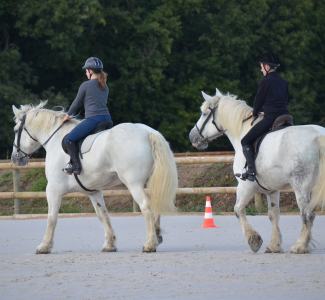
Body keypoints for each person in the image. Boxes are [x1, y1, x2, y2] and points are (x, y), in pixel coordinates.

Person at [240, 53, 289, 181]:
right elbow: (283, 100)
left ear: (267, 67)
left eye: (261, 67)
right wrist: (266, 110)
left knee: (245, 141)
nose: (261, 69)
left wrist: (256, 112)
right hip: (286, 116)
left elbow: (259, 100)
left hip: (271, 118)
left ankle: (251, 171)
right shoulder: (283, 82)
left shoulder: (265, 81)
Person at [62, 57, 113, 175]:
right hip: (108, 120)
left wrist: (68, 115)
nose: (85, 73)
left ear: (90, 71)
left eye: (86, 70)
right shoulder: (105, 86)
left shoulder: (86, 85)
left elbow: (77, 103)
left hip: (94, 120)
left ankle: (76, 166)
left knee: (69, 139)